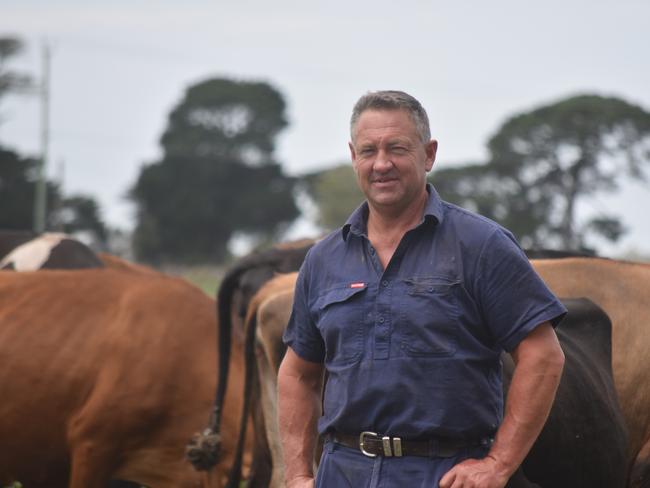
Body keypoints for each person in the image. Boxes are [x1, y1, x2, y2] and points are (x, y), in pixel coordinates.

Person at [278, 90, 566, 488]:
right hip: (343, 472)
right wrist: (297, 475)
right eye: (368, 150)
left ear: (428, 155)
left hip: (442, 473)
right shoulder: (323, 259)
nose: (382, 164)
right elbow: (297, 374)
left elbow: (544, 356)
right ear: (353, 157)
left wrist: (498, 464)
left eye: (397, 148)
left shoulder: (481, 245)